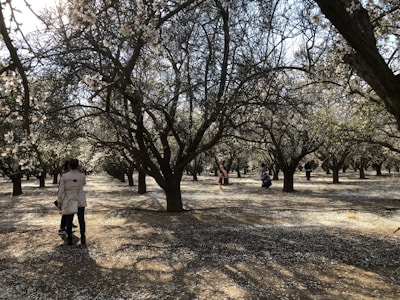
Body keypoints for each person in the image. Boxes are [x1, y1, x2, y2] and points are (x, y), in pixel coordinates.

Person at [58, 158, 87, 245]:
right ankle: (83, 237)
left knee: (69, 219)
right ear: (78, 166)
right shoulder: (82, 175)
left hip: (69, 198)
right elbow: (83, 183)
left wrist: (60, 201)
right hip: (80, 198)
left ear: (69, 166)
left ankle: (69, 238)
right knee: (81, 219)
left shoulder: (65, 176)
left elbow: (61, 190)